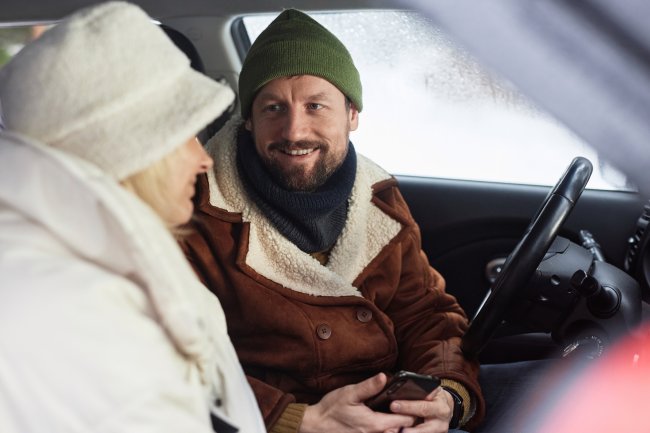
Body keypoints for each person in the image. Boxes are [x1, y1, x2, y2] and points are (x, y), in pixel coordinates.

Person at [182, 9, 485, 433]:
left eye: (315, 106)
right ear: (248, 121)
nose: (293, 130)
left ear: (352, 115)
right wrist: (291, 419)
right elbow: (174, 358)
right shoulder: (195, 214)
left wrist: (450, 396)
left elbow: (426, 314)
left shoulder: (379, 200)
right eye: (273, 108)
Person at [0, 2, 266, 432]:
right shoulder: (88, 321)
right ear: (131, 150)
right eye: (184, 138)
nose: (205, 161)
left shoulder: (87, 262)